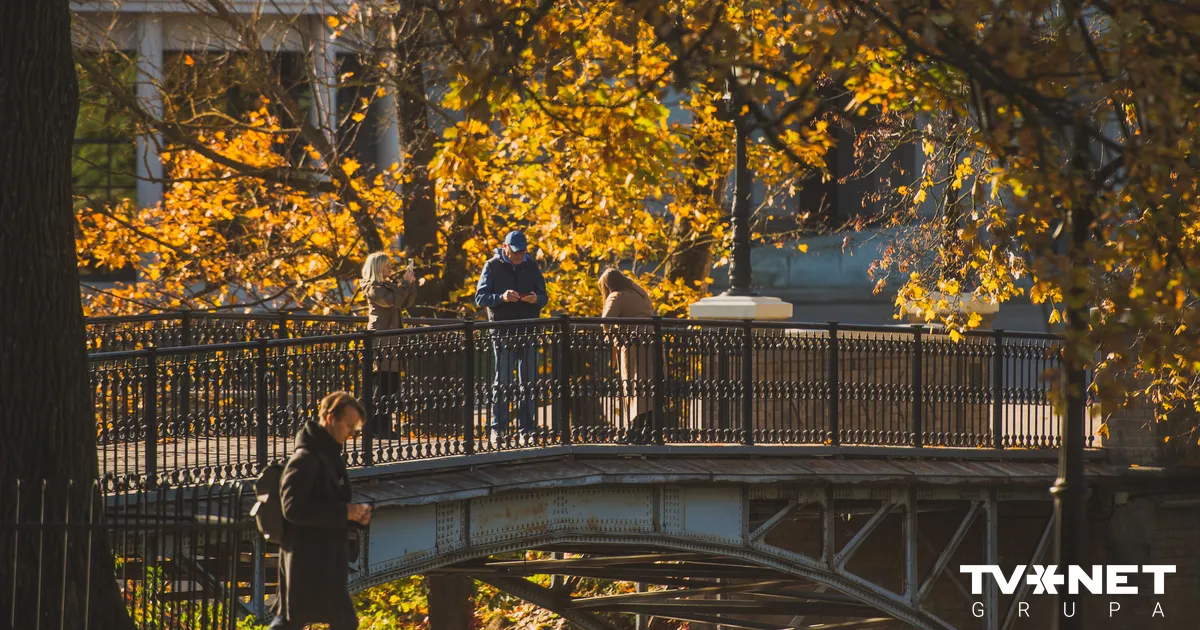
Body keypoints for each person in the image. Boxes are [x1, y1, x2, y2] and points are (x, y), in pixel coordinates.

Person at [271, 392, 373, 630]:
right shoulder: (305, 458)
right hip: (306, 560)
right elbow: (292, 508)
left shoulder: (329, 456)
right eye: (349, 426)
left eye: (356, 429)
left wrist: (356, 517)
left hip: (324, 559)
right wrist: (344, 513)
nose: (352, 434)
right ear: (330, 418)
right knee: (292, 622)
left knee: (302, 621)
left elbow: (331, 503)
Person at [474, 230, 549, 445]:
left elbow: (544, 296)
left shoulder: (532, 266)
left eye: (522, 252)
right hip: (503, 331)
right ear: (505, 247)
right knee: (503, 381)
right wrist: (502, 297)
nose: (518, 256)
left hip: (528, 330)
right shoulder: (492, 265)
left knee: (528, 382)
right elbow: (480, 297)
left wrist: (536, 299)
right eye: (515, 252)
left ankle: (527, 429)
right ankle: (498, 428)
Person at [360, 252, 416, 439]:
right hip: (381, 342)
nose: (389, 268)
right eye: (386, 266)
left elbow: (405, 302)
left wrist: (411, 284)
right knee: (381, 387)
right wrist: (405, 284)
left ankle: (384, 427)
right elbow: (394, 301)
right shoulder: (372, 288)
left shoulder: (389, 286)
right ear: (376, 268)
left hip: (393, 343)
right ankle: (375, 428)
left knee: (391, 387)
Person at [598, 268, 657, 443]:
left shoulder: (616, 296)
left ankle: (634, 429)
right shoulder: (639, 291)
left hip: (632, 345)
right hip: (651, 342)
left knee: (632, 385)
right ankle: (649, 428)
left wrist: (610, 336)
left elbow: (605, 322)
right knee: (648, 386)